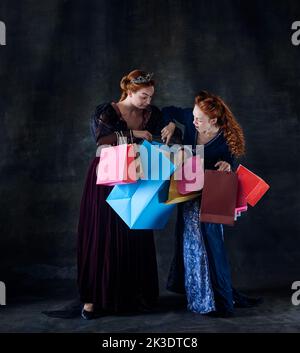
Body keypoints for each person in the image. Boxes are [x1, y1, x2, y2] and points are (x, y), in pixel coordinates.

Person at [77, 69, 180, 319]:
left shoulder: (151, 113)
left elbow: (172, 133)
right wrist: (134, 134)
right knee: (104, 234)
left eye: (151, 97)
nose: (148, 102)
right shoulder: (107, 111)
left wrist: (172, 127)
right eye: (143, 97)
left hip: (138, 173)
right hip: (108, 176)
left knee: (135, 230)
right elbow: (102, 140)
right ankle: (95, 300)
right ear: (129, 91)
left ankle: (134, 296)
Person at [162, 91, 262, 317]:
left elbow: (228, 165)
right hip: (187, 193)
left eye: (199, 119)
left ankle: (218, 299)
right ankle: (197, 295)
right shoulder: (190, 117)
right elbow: (167, 110)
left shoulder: (225, 140)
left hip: (211, 195)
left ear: (214, 120)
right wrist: (169, 124)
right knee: (190, 245)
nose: (194, 121)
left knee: (212, 245)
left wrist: (227, 166)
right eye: (194, 116)